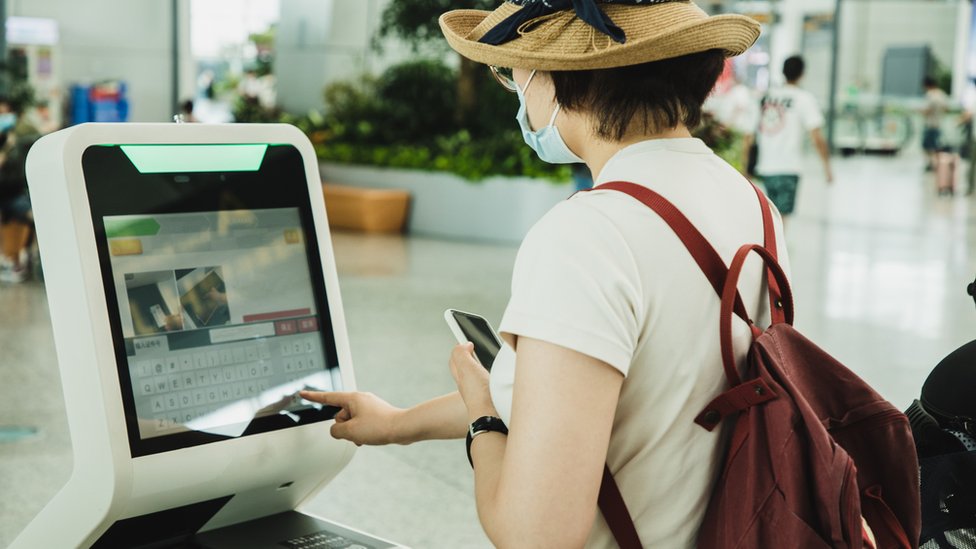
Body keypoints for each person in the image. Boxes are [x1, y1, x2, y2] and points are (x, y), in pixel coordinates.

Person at [301, 1, 787, 546]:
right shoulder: (753, 205)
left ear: (560, 75)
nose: (518, 89)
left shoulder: (589, 235)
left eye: (515, 72)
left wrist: (482, 412)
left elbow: (537, 535)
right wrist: (396, 424)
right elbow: (589, 403)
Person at [745, 55, 832, 220]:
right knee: (781, 219)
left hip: (764, 167)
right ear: (802, 74)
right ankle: (776, 246)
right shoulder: (804, 99)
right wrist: (827, 167)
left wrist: (744, 167)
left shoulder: (765, 97)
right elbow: (817, 137)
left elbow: (748, 135)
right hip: (788, 167)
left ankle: (768, 245)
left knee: (766, 218)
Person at [0, 99, 40, 283]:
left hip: (13, 195)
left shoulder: (13, 144)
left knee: (37, 215)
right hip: (6, 197)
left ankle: (25, 261)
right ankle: (12, 261)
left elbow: (16, 179)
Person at [923, 76, 950, 173]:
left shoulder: (930, 95)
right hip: (939, 123)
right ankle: (938, 163)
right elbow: (946, 109)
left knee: (927, 145)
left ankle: (931, 164)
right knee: (936, 145)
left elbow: (927, 110)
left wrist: (921, 112)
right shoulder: (942, 94)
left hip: (930, 124)